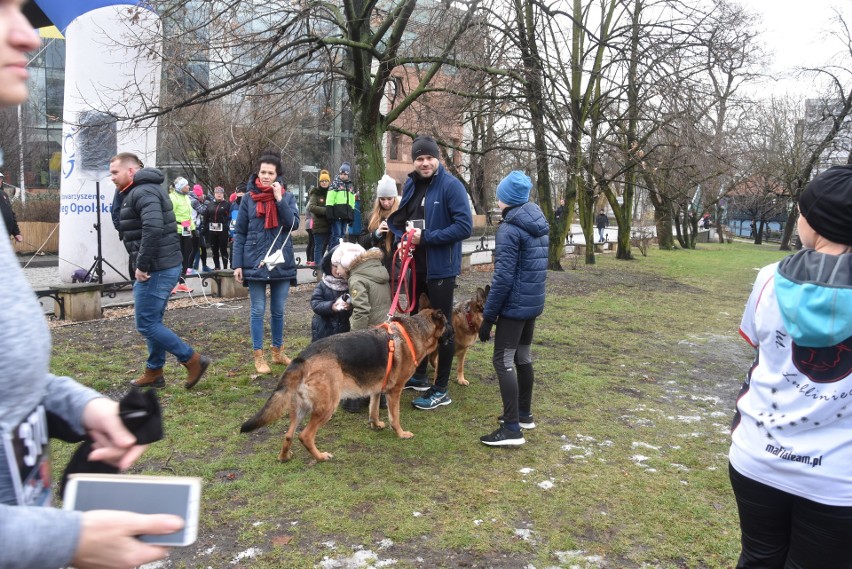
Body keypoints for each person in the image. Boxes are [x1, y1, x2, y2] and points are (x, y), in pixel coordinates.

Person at [0, 7, 185, 567]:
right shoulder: (126, 191)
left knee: (148, 320)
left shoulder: (143, 192)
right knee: (146, 323)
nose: (28, 34)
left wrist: (80, 408)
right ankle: (180, 359)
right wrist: (69, 541)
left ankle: (182, 358)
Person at [728, 165, 852, 568]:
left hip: (759, 455)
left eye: (800, 212)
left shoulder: (768, 278)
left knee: (758, 557)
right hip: (837, 478)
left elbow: (757, 344)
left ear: (816, 223)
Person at [112, 154, 211, 390]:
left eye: (115, 172)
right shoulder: (139, 190)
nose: (112, 177)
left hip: (156, 267)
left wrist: (143, 265)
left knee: (146, 323)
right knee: (152, 320)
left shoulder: (143, 191)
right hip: (161, 264)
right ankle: (154, 371)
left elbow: (153, 228)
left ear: (131, 171)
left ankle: (192, 360)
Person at [388, 134, 473, 410]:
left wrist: (426, 238)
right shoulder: (412, 183)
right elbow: (399, 220)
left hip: (441, 269)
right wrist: (403, 239)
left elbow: (464, 227)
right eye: (420, 158)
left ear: (437, 158)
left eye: (429, 158)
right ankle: (421, 376)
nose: (424, 163)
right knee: (417, 322)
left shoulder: (451, 186)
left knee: (443, 326)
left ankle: (441, 389)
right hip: (416, 267)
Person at [477, 171, 548, 446]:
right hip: (531, 305)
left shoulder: (510, 228)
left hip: (514, 308)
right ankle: (523, 414)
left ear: (506, 198)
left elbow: (504, 278)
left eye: (500, 195)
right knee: (523, 357)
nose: (497, 199)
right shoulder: (538, 221)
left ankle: (511, 429)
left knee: (503, 361)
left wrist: (488, 318)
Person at [232, 152, 300, 374]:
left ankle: (278, 352)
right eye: (263, 172)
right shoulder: (248, 199)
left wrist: (279, 200)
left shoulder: (288, 197)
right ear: (257, 173)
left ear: (277, 175)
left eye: (271, 173)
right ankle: (258, 356)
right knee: (257, 310)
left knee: (278, 311)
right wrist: (238, 264)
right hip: (255, 261)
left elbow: (292, 224)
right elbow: (240, 232)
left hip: (281, 261)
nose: (266, 176)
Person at [333, 241, 392, 412]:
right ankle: (379, 398)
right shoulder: (376, 271)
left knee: (361, 364)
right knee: (379, 364)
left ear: (346, 263)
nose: (337, 271)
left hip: (369, 331)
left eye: (338, 266)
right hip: (384, 327)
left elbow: (361, 310)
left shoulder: (357, 278)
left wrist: (355, 336)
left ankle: (354, 400)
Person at [310, 245, 352, 342]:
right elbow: (315, 303)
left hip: (345, 329)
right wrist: (331, 306)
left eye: (341, 266)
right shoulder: (323, 284)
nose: (337, 270)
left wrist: (350, 307)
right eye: (335, 266)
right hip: (323, 329)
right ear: (328, 265)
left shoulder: (351, 284)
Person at [359, 174, 399, 274]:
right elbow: (361, 242)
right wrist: (376, 234)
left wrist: (394, 230)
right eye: (382, 199)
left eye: (389, 199)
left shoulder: (401, 215)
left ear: (395, 198)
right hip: (375, 267)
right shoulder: (371, 216)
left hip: (396, 267)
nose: (386, 203)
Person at [168, 177, 195, 293]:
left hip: (186, 229)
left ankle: (182, 282)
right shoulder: (172, 197)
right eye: (186, 185)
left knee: (186, 256)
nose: (189, 187)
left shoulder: (187, 197)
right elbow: (169, 215)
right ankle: (171, 285)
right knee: (175, 257)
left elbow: (189, 215)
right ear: (180, 187)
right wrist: (172, 230)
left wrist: (193, 229)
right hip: (176, 231)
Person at [326, 162, 355, 247]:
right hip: (337, 214)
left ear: (348, 174)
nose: (342, 175)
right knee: (336, 235)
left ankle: (339, 251)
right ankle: (333, 252)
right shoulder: (335, 184)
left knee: (342, 234)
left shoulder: (350, 186)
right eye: (341, 173)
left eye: (344, 174)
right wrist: (329, 213)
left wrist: (351, 215)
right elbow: (330, 199)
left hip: (346, 215)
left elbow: (352, 202)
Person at [307, 169, 331, 266]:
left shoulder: (332, 192)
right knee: (318, 248)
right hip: (319, 225)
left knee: (331, 248)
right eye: (322, 181)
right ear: (319, 182)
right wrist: (325, 210)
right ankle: (319, 270)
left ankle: (328, 269)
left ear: (329, 181)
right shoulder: (315, 193)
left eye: (326, 181)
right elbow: (311, 207)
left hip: (330, 224)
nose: (324, 183)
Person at [206, 186, 230, 270]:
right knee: (214, 250)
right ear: (214, 194)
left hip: (223, 231)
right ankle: (217, 267)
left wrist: (226, 223)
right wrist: (204, 229)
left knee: (223, 249)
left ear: (223, 194)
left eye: (220, 193)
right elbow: (206, 217)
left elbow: (229, 217)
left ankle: (225, 268)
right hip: (212, 231)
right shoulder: (210, 204)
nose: (219, 194)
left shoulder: (227, 204)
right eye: (217, 193)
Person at [189, 184, 210, 272]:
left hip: (196, 226)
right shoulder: (194, 201)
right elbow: (203, 211)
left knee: (202, 247)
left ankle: (204, 266)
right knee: (194, 249)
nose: (203, 196)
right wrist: (206, 202)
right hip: (193, 227)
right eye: (202, 195)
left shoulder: (190, 197)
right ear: (198, 195)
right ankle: (189, 268)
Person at [228, 182, 246, 268]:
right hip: (234, 237)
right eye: (239, 192)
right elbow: (230, 220)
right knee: (233, 259)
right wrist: (230, 234)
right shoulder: (233, 205)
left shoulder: (249, 205)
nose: (240, 194)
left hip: (245, 237)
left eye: (243, 192)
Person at [0, 172, 22, 243]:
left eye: (0, 179)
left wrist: (16, 233)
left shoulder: (3, 195)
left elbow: (10, 214)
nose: (0, 181)